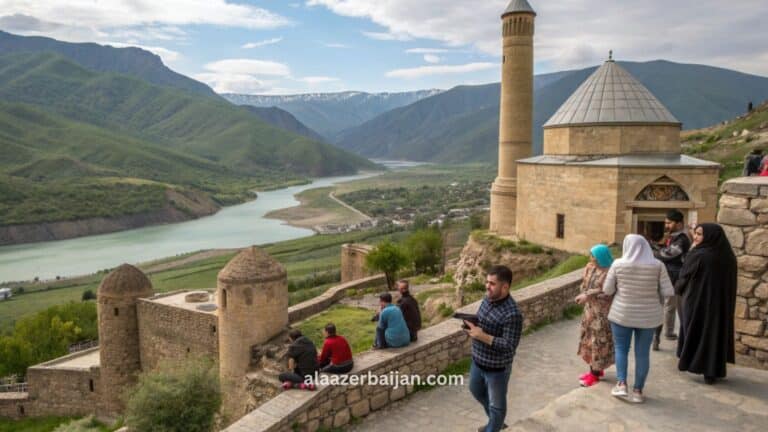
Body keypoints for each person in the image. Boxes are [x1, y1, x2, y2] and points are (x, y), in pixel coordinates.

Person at [603, 234, 674, 404]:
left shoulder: (618, 264)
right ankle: (638, 391)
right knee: (642, 354)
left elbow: (607, 290)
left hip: (622, 314)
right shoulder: (658, 265)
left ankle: (621, 385)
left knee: (621, 349)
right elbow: (669, 292)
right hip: (648, 317)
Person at [675, 224, 737, 385]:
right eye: (695, 233)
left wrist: (678, 290)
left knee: (695, 331)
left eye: (699, 234)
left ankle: (693, 363)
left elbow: (685, 276)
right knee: (714, 334)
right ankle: (712, 371)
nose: (695, 237)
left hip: (697, 303)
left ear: (709, 236)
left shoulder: (699, 255)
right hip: (720, 305)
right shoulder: (728, 256)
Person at [466, 265, 523, 432]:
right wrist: (471, 325)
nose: (487, 286)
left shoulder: (513, 314)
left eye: (492, 283)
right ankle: (496, 422)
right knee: (475, 391)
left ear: (505, 287)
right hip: (477, 362)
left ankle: (493, 426)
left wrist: (481, 335)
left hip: (496, 369)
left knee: (497, 406)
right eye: (487, 282)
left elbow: (509, 346)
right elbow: (483, 322)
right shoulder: (487, 299)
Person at [650, 209, 691, 350]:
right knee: (663, 306)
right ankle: (659, 336)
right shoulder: (674, 236)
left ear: (679, 223)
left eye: (669, 222)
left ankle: (666, 334)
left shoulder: (682, 239)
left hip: (675, 277)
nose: (666, 225)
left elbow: (668, 254)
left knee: (669, 306)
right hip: (667, 274)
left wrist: (652, 251)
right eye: (666, 222)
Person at [574, 244, 614, 387]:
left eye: (593, 256)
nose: (591, 258)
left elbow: (608, 293)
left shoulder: (611, 272)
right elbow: (585, 285)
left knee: (598, 343)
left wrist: (588, 295)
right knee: (589, 341)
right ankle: (596, 370)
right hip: (589, 311)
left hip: (601, 314)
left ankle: (594, 375)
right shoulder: (590, 268)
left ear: (601, 257)